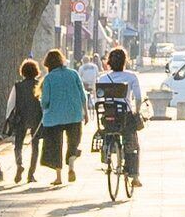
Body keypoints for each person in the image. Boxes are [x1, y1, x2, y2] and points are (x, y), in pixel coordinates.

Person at [93, 48, 141, 197]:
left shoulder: (102, 79)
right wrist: (137, 112)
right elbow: (138, 98)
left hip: (108, 116)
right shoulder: (131, 77)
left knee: (109, 129)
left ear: (109, 63)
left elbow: (98, 99)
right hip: (124, 116)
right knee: (133, 144)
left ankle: (108, 149)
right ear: (124, 61)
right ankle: (133, 175)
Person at [37, 50, 86, 183]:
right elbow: (82, 94)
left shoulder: (48, 78)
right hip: (74, 114)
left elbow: (45, 100)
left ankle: (58, 177)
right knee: (73, 142)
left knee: (55, 146)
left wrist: (44, 106)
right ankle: (71, 164)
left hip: (54, 117)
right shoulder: (73, 74)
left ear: (47, 64)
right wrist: (85, 112)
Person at [3, 59, 44, 182]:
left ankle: (19, 164)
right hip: (36, 118)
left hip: (21, 118)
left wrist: (8, 119)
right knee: (35, 146)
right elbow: (43, 102)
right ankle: (31, 173)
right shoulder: (39, 85)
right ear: (36, 72)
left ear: (23, 72)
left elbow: (11, 104)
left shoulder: (18, 86)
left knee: (18, 144)